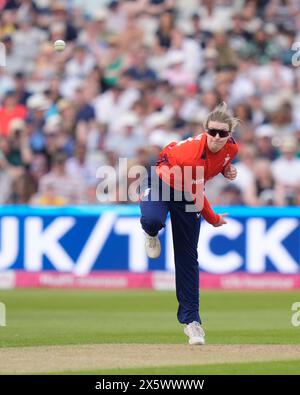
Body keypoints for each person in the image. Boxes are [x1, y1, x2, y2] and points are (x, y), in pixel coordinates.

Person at [139, 103, 239, 345]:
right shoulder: (192, 153)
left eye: (222, 133)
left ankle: (192, 322)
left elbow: (218, 162)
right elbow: (197, 194)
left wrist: (226, 170)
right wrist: (214, 219)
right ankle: (151, 233)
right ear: (205, 130)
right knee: (152, 219)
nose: (217, 137)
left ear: (229, 135)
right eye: (212, 131)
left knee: (187, 257)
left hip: (187, 192)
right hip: (163, 182)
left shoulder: (232, 149)